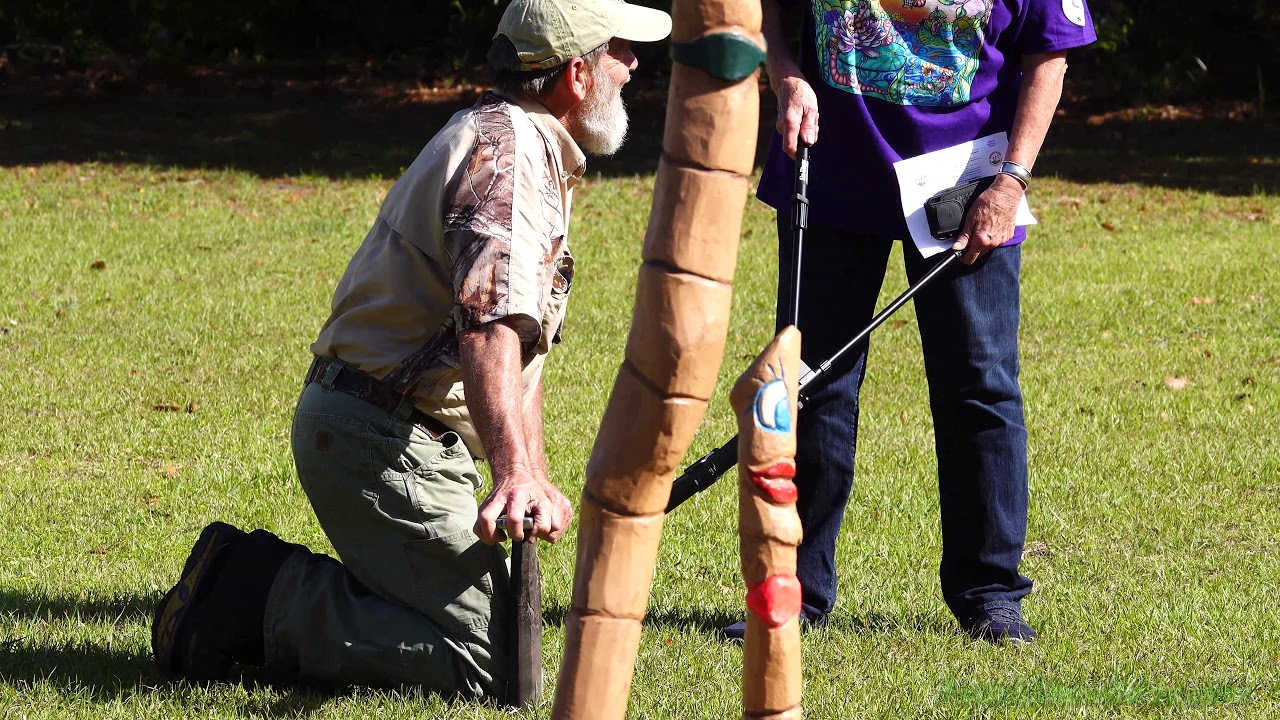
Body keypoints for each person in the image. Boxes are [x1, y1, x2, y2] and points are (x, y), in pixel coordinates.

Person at [150, 0, 672, 696]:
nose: (634, 64)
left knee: (513, 641)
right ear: (577, 75)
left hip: (396, 430)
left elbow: (516, 348)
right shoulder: (508, 164)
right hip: (379, 437)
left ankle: (282, 589)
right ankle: (245, 593)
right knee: (495, 664)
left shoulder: (521, 142)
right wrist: (515, 475)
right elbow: (486, 328)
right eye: (620, 50)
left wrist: (531, 476)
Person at [725, 0, 1096, 644]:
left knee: (979, 388)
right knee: (814, 388)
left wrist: (1011, 182)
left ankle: (990, 595)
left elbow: (1049, 53)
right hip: (835, 171)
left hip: (967, 184)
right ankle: (798, 592)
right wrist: (786, 76)